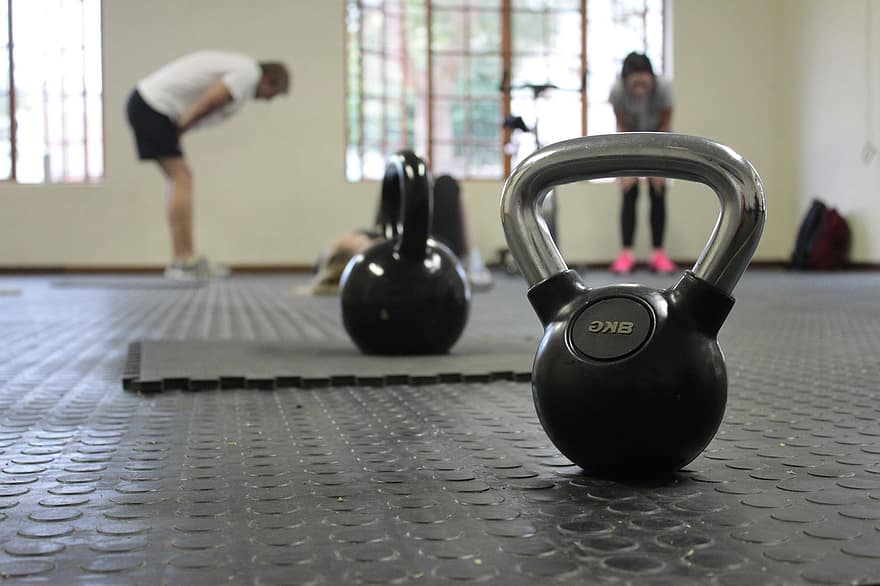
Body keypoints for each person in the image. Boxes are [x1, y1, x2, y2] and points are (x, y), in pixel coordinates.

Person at [126, 51, 290, 280]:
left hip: (149, 105)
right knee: (181, 178)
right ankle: (183, 260)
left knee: (180, 178)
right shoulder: (249, 73)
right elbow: (214, 98)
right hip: (153, 106)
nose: (269, 100)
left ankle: (184, 257)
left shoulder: (243, 71)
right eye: (274, 93)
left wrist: (182, 126)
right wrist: (184, 124)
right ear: (269, 79)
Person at [298, 174, 492, 295]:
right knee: (446, 184)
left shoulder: (342, 256)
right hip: (435, 251)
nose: (348, 235)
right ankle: (473, 262)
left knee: (396, 180)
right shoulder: (373, 261)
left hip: (402, 239)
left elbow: (323, 264)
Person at [608, 52, 676, 274]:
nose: (639, 87)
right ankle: (626, 254)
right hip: (630, 139)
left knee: (658, 191)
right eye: (634, 83)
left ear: (651, 77)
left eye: (643, 82)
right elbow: (622, 126)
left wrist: (658, 165)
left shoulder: (664, 89)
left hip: (660, 139)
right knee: (629, 191)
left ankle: (658, 254)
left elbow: (665, 125)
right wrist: (627, 168)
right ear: (626, 81)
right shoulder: (617, 91)